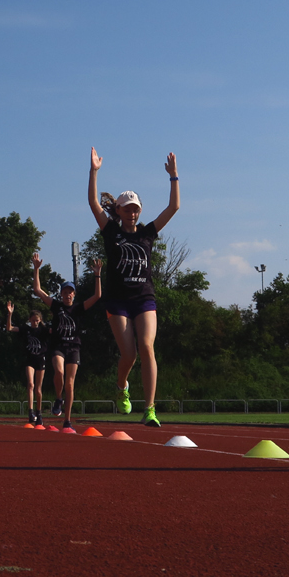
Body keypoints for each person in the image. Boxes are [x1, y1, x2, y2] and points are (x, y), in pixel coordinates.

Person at [89, 148, 179, 427]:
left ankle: (150, 409)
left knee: (147, 347)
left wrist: (174, 176)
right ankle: (122, 386)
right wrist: (94, 171)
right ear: (118, 210)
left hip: (144, 298)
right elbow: (92, 202)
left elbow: (173, 208)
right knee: (129, 354)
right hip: (117, 301)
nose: (131, 213)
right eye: (126, 208)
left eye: (135, 209)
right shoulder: (111, 232)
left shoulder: (147, 233)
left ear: (140, 211)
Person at [31, 254, 101, 430]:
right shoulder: (56, 306)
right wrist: (36, 269)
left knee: (70, 383)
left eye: (70, 292)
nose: (67, 294)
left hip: (74, 347)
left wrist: (97, 275)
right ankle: (58, 398)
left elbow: (97, 296)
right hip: (58, 346)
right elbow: (38, 290)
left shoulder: (78, 308)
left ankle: (67, 420)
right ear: (61, 294)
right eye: (65, 292)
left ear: (74, 295)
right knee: (59, 372)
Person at [5, 301, 50, 426]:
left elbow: (56, 331)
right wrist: (10, 314)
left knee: (38, 388)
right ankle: (30, 412)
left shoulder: (44, 330)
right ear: (30, 320)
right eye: (33, 320)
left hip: (40, 359)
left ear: (40, 320)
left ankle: (39, 413)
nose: (35, 323)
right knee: (30, 384)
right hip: (30, 359)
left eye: (37, 320)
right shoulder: (26, 329)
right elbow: (9, 328)